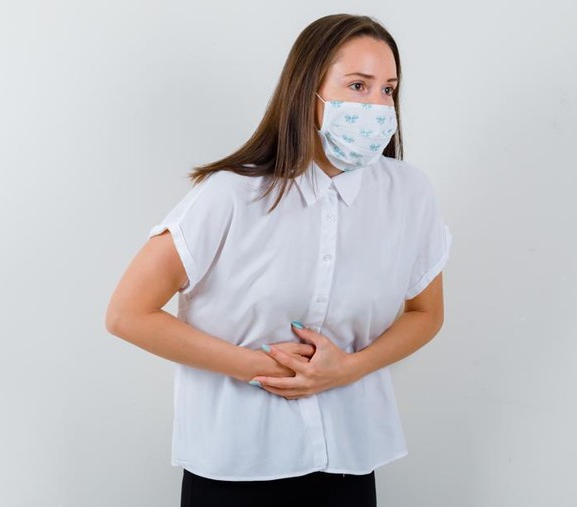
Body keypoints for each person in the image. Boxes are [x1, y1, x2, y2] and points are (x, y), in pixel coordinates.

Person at [105, 13, 452, 507]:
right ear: (309, 91)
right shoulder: (231, 195)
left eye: (387, 90)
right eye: (358, 85)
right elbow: (126, 314)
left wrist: (348, 369)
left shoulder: (409, 193)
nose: (376, 105)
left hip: (348, 462)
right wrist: (257, 366)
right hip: (234, 464)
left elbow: (426, 313)